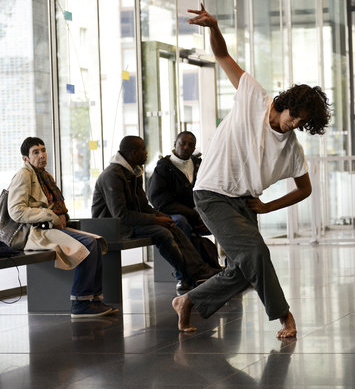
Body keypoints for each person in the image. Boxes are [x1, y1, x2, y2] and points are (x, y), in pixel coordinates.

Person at [172, 4, 331, 338]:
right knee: (256, 253)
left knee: (245, 269)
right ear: (286, 103)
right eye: (295, 116)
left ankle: (188, 301)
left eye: (303, 123)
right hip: (213, 193)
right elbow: (222, 57)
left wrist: (268, 206)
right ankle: (285, 317)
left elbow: (305, 189)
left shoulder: (292, 149)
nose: (295, 125)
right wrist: (214, 28)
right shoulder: (254, 98)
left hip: (245, 202)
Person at [92, 136, 218, 291]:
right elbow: (121, 215)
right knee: (162, 232)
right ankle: (190, 274)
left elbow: (144, 207)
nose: (146, 153)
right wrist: (156, 221)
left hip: (127, 224)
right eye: (143, 149)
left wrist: (162, 217)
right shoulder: (113, 175)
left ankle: (199, 271)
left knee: (174, 225)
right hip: (112, 227)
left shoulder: (132, 173)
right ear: (132, 153)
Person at [7, 137, 115, 318]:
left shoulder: (44, 176)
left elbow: (55, 205)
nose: (42, 155)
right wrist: (50, 215)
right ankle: (80, 303)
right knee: (88, 244)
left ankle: (94, 299)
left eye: (43, 150)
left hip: (49, 229)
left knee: (96, 242)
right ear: (25, 158)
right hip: (34, 233)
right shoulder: (24, 175)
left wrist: (61, 216)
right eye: (36, 152)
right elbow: (16, 211)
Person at [147, 131, 220, 290]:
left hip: (197, 213)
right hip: (172, 213)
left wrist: (203, 213)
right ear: (175, 144)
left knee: (224, 218)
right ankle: (186, 274)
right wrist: (193, 214)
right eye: (182, 143)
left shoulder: (199, 165)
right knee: (180, 222)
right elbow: (161, 202)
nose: (186, 147)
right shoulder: (164, 168)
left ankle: (226, 269)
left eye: (190, 145)